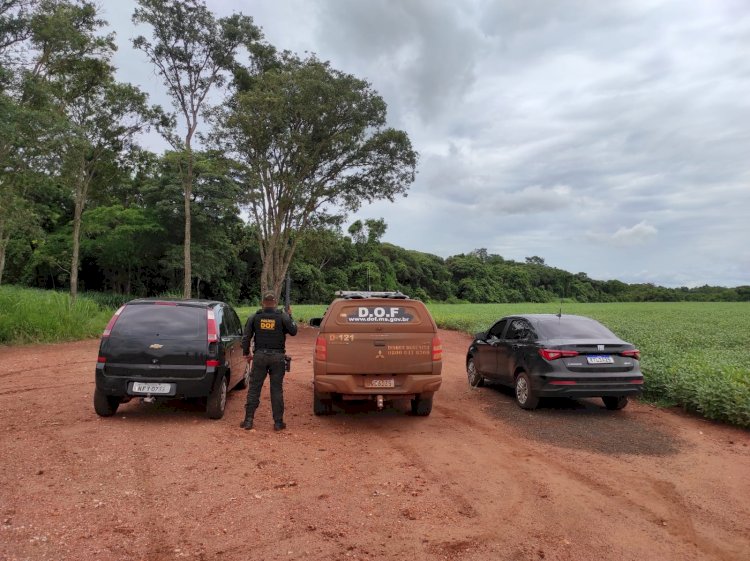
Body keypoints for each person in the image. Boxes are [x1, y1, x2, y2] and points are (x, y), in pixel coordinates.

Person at [240, 291, 297, 431]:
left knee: (254, 389)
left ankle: (248, 421)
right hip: (277, 357)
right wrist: (290, 315)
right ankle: (278, 423)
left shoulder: (255, 317)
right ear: (275, 302)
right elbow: (294, 331)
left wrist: (246, 353)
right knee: (276, 390)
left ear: (263, 302)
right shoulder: (282, 317)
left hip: (259, 356)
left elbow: (246, 337)